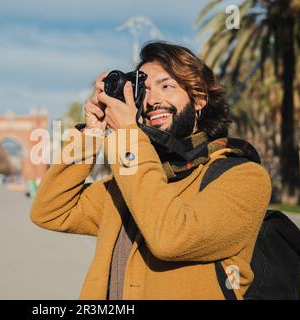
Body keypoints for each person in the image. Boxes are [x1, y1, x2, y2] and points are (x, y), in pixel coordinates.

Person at [30, 41, 272, 300]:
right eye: (143, 91)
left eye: (166, 86)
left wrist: (128, 137)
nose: (152, 100)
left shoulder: (244, 177)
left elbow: (170, 238)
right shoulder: (133, 180)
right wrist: (91, 134)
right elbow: (50, 210)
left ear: (199, 99)